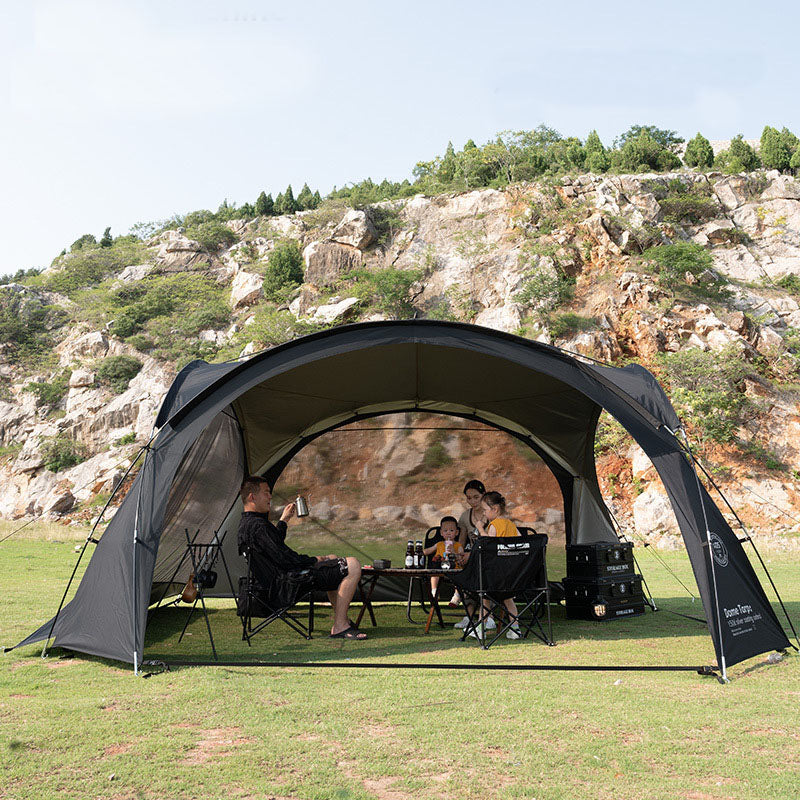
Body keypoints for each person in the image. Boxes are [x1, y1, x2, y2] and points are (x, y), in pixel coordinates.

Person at [237, 475, 366, 640]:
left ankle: (342, 619)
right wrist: (314, 560)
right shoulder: (257, 526)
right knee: (353, 565)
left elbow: (273, 547)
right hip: (288, 583)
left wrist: (283, 520)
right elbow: (285, 558)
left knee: (332, 559)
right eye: (266, 492)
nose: (270, 496)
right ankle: (340, 626)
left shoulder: (247, 525)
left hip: (274, 582)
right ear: (252, 497)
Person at [472, 490, 522, 639]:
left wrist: (481, 529)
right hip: (511, 574)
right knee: (508, 599)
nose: (485, 514)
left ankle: (481, 627)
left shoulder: (494, 525)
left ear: (495, 509)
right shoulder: (511, 525)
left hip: (496, 575)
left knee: (484, 595)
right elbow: (520, 543)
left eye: (485, 510)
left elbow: (490, 545)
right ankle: (515, 628)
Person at [422, 516, 465, 599]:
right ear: (441, 533)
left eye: (451, 530)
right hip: (440, 568)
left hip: (454, 568)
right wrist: (419, 551)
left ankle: (457, 596)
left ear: (456, 532)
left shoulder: (458, 545)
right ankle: (434, 592)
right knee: (434, 575)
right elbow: (427, 551)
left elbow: (461, 559)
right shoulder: (439, 544)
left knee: (459, 577)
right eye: (445, 531)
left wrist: (454, 552)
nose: (448, 533)